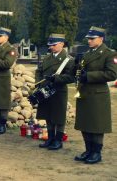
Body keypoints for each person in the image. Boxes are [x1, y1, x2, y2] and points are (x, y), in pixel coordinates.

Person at [74, 26, 117, 164]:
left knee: (97, 125)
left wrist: (90, 76)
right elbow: (80, 72)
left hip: (98, 94)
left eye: (92, 39)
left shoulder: (109, 54)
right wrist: (77, 66)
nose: (89, 41)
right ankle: (88, 150)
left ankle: (96, 153)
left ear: (101, 39)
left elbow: (112, 74)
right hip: (85, 93)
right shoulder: (87, 53)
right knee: (85, 123)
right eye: (88, 39)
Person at [35, 34, 74, 150]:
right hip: (45, 90)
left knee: (59, 116)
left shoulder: (68, 59)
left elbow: (70, 77)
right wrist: (38, 83)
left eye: (54, 44)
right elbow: (39, 71)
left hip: (59, 91)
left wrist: (56, 79)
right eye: (50, 45)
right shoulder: (47, 58)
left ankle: (58, 140)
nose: (51, 47)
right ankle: (50, 138)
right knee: (48, 114)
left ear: (62, 44)